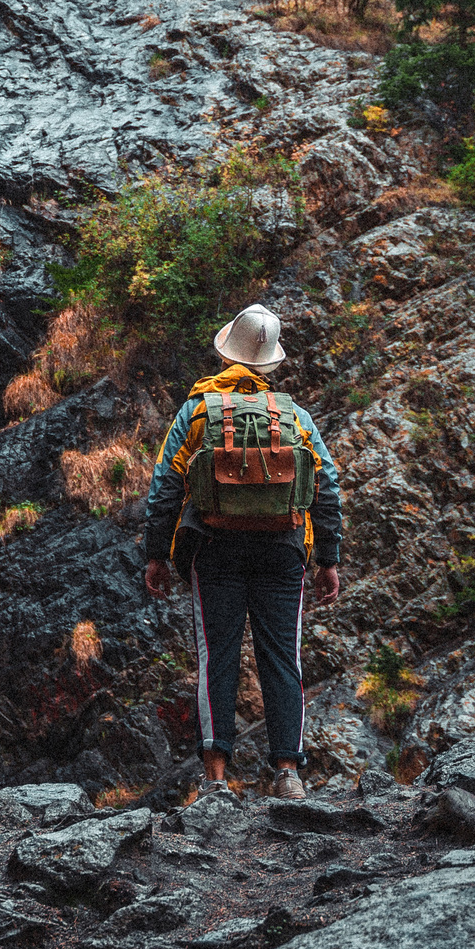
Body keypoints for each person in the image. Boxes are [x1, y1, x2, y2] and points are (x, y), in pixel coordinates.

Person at [140, 301, 343, 801]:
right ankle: (287, 773)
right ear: (269, 362)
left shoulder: (197, 410)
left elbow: (166, 485)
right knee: (283, 658)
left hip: (215, 549)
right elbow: (329, 485)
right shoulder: (293, 415)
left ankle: (215, 778)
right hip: (282, 550)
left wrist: (156, 554)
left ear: (226, 353)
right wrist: (329, 559)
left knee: (217, 657)